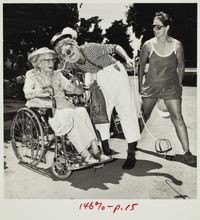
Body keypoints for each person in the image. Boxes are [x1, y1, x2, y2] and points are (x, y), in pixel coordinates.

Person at [50, 28, 141, 170]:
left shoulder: (90, 48)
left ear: (74, 44)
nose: (70, 56)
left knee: (125, 111)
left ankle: (131, 154)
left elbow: (114, 47)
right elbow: (61, 71)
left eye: (70, 51)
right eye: (65, 56)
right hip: (99, 79)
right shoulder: (70, 63)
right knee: (100, 113)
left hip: (114, 73)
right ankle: (105, 150)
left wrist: (127, 58)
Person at [23, 47, 111, 165]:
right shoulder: (31, 74)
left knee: (81, 111)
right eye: (46, 60)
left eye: (52, 60)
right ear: (38, 63)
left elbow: (70, 87)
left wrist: (81, 89)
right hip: (47, 111)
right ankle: (85, 154)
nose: (51, 63)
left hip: (65, 107)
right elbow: (27, 93)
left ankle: (95, 149)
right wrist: (43, 91)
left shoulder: (57, 75)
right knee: (71, 114)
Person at [138, 11, 196, 165]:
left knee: (178, 118)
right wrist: (139, 86)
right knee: (144, 116)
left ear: (167, 27)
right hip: (151, 86)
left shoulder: (177, 45)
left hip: (171, 87)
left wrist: (180, 84)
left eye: (158, 27)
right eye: (153, 27)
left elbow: (181, 66)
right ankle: (133, 144)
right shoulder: (148, 45)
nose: (155, 30)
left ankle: (187, 152)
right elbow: (141, 65)